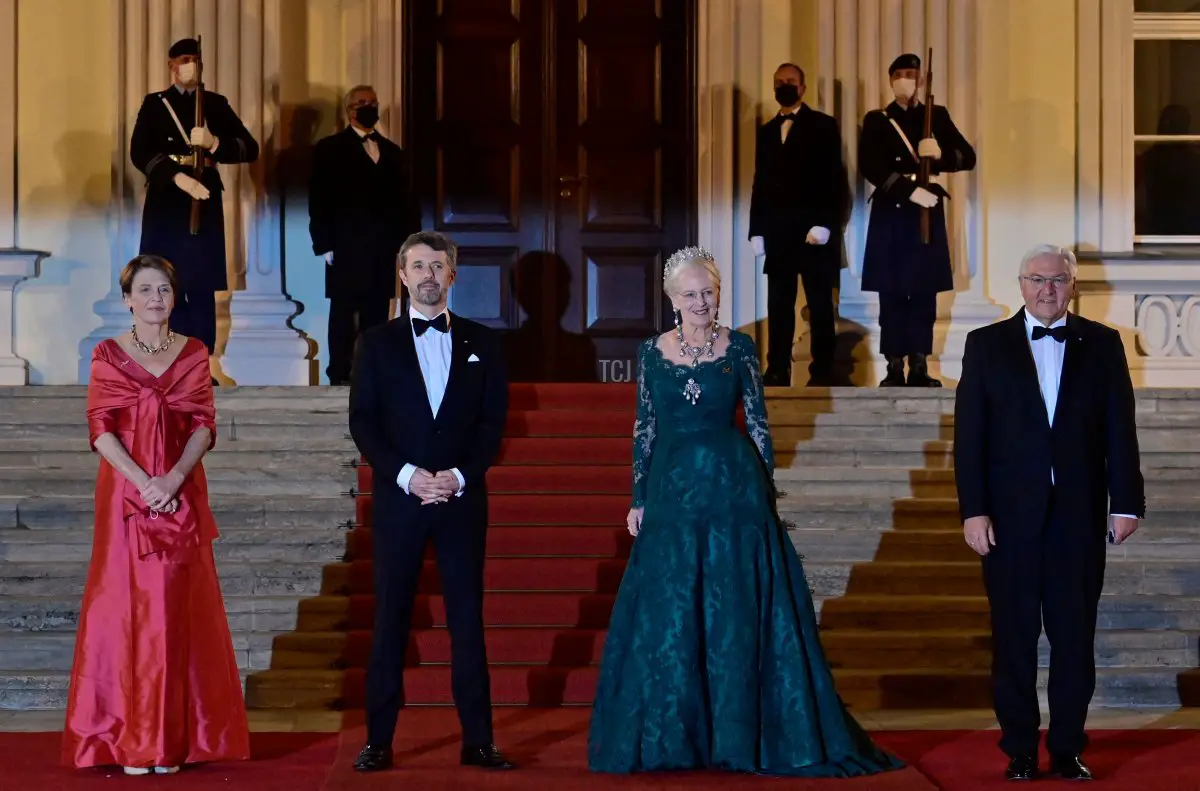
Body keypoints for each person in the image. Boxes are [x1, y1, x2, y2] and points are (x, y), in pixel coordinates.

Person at [587, 246, 904, 778]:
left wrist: (767, 490)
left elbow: (756, 422)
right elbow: (645, 429)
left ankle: (740, 733)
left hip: (734, 493)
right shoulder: (650, 352)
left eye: (708, 292)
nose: (700, 302)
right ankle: (675, 738)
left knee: (732, 609)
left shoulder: (739, 349)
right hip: (671, 493)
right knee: (672, 613)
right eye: (689, 294)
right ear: (672, 300)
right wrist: (638, 497)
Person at [954, 244, 1145, 782]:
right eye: (1037, 279)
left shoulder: (1104, 345)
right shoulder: (985, 345)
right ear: (1020, 284)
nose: (1047, 289)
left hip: (1078, 519)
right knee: (1013, 639)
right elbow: (970, 438)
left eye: (1058, 280)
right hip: (1009, 522)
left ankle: (1066, 748)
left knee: (1073, 639)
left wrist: (1125, 503)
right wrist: (975, 511)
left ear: (1073, 286)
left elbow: (1119, 431)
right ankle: (1018, 749)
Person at [63, 255, 249, 775]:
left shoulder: (193, 353)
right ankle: (124, 739)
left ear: (174, 296)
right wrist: (143, 481)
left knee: (171, 611)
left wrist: (171, 480)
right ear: (127, 299)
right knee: (123, 613)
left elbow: (204, 426)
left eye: (163, 289)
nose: (155, 299)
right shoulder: (106, 354)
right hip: (125, 498)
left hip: (179, 493)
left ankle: (167, 740)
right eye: (144, 290)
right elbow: (100, 429)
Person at [348, 230, 514, 773]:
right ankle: (378, 740)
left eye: (436, 266)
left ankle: (479, 740)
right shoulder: (375, 342)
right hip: (400, 502)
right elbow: (363, 423)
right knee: (391, 620)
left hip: (462, 502)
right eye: (417, 266)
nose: (427, 275)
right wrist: (408, 477)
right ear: (402, 275)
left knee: (467, 621)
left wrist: (459, 477)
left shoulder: (484, 344)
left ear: (452, 274)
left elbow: (492, 426)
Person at [130, 37, 260, 359]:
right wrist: (175, 176)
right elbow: (139, 151)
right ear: (171, 65)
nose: (189, 64)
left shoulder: (215, 104)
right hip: (167, 200)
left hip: (203, 198)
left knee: (200, 285)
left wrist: (215, 143)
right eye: (183, 58)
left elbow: (249, 148)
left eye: (194, 59)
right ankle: (166, 358)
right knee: (165, 282)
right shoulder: (155, 103)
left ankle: (200, 362)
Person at [859, 52, 976, 387]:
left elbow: (967, 156)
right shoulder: (878, 119)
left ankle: (920, 364)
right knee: (892, 291)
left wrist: (940, 155)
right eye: (899, 74)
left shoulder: (935, 116)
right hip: (893, 211)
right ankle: (894, 365)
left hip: (926, 211)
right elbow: (870, 164)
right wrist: (906, 191)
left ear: (921, 80)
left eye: (911, 73)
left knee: (924, 291)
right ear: (891, 79)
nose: (906, 79)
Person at [749, 63, 850, 387]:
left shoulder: (823, 125)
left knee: (820, 304)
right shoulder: (765, 132)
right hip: (778, 232)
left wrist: (825, 224)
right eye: (779, 82)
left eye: (790, 82)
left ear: (803, 88)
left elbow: (834, 179)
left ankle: (822, 371)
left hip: (813, 233)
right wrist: (756, 230)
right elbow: (759, 184)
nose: (784, 86)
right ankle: (777, 368)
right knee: (778, 305)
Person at [309, 84, 416, 385]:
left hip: (383, 246)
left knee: (377, 313)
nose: (369, 106)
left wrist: (406, 243)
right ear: (349, 110)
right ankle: (339, 374)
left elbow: (402, 202)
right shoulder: (329, 149)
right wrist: (324, 242)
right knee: (343, 313)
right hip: (344, 245)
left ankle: (372, 375)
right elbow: (319, 198)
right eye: (362, 102)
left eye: (373, 101)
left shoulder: (393, 152)